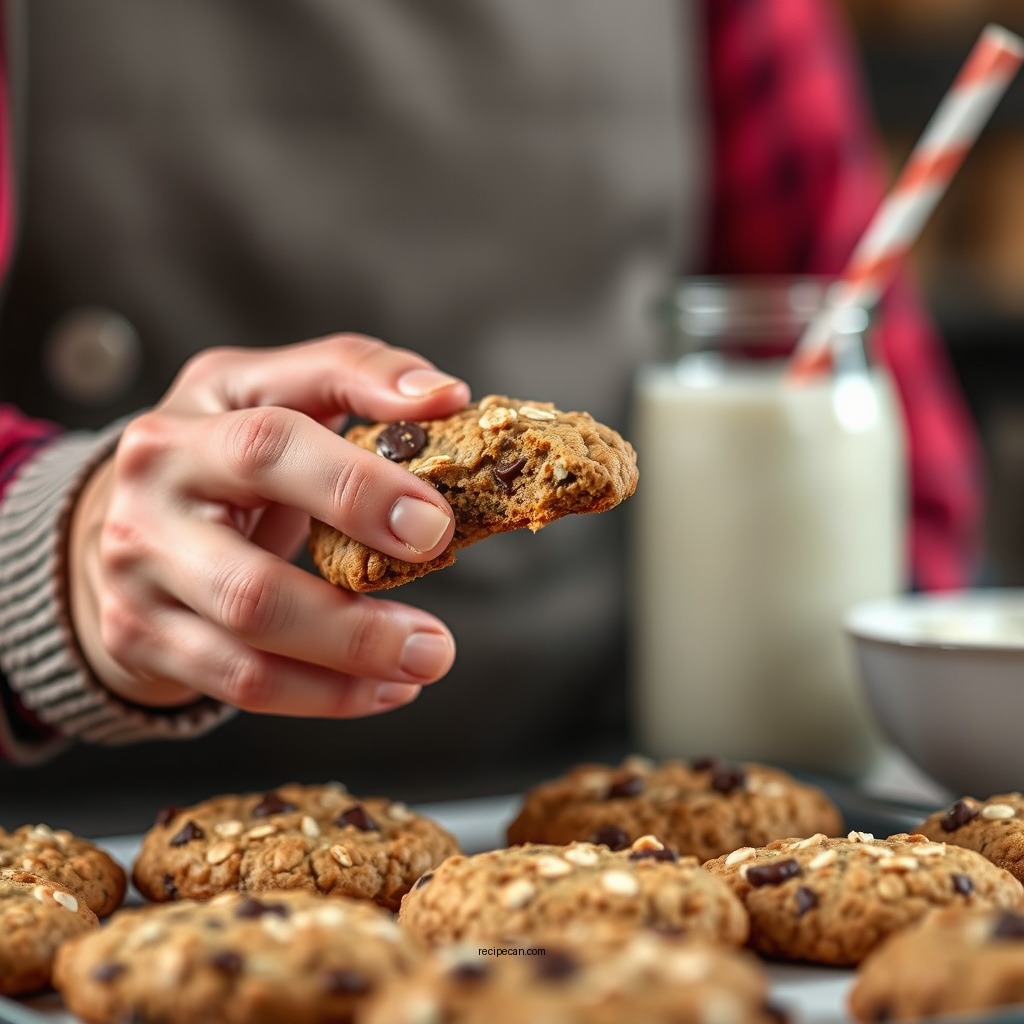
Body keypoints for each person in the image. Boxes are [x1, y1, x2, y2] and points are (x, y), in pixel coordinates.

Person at [0, 1, 980, 807]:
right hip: (98, 810)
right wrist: (45, 551)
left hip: (617, 789)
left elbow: (883, 412)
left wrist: (832, 745)